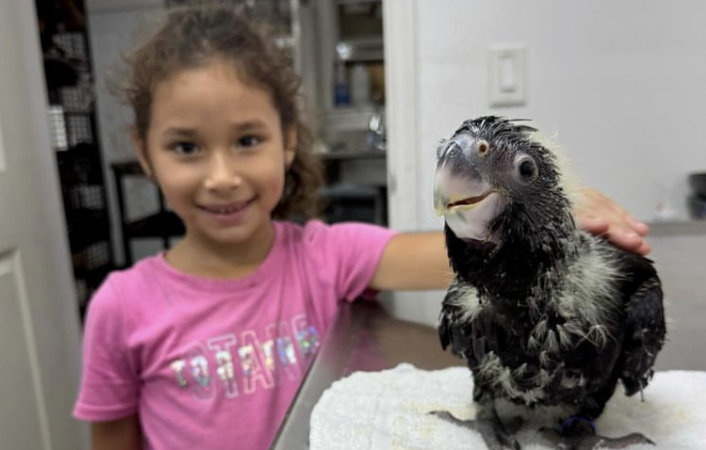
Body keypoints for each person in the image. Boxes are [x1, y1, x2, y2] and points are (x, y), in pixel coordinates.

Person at [72, 5, 651, 450]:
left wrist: (545, 209)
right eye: (186, 146)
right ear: (145, 155)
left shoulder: (325, 254)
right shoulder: (119, 308)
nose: (221, 176)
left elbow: (456, 252)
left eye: (247, 140)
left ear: (288, 140)